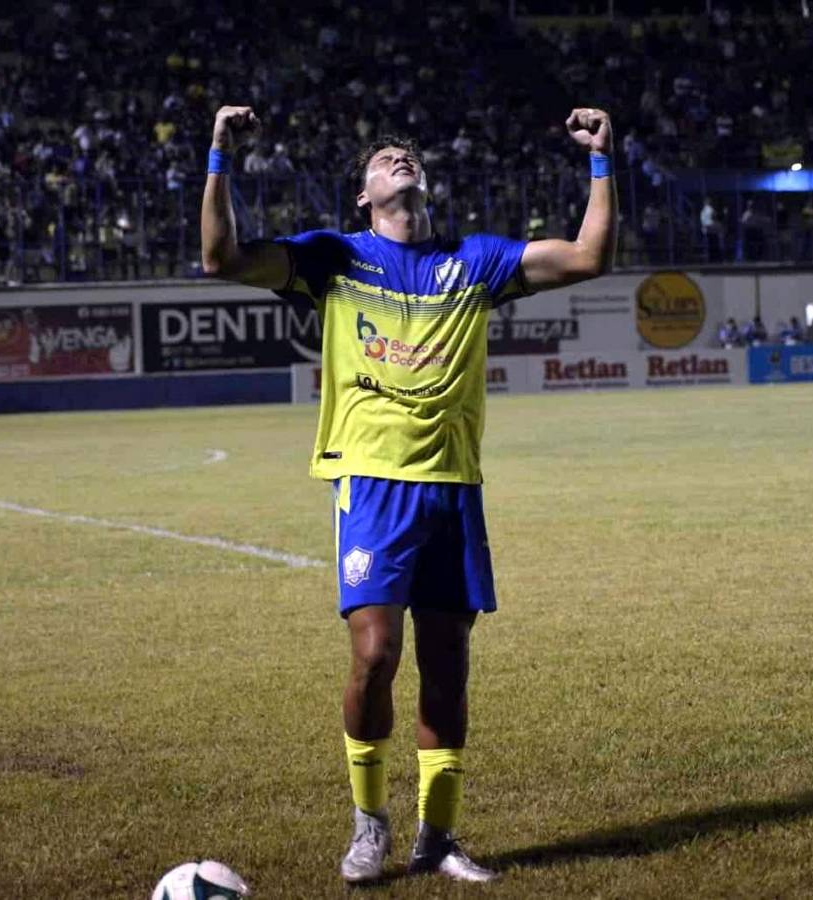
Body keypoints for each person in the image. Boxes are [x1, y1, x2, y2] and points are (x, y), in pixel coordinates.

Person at [200, 103, 617, 885]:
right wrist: (220, 153)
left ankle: (439, 838)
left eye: (408, 156)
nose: (400, 160)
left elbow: (590, 256)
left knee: (448, 664)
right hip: (372, 483)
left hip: (452, 485)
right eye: (383, 159)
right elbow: (220, 257)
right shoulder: (334, 259)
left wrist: (602, 159)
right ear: (363, 195)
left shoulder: (476, 261)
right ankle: (370, 823)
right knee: (375, 653)